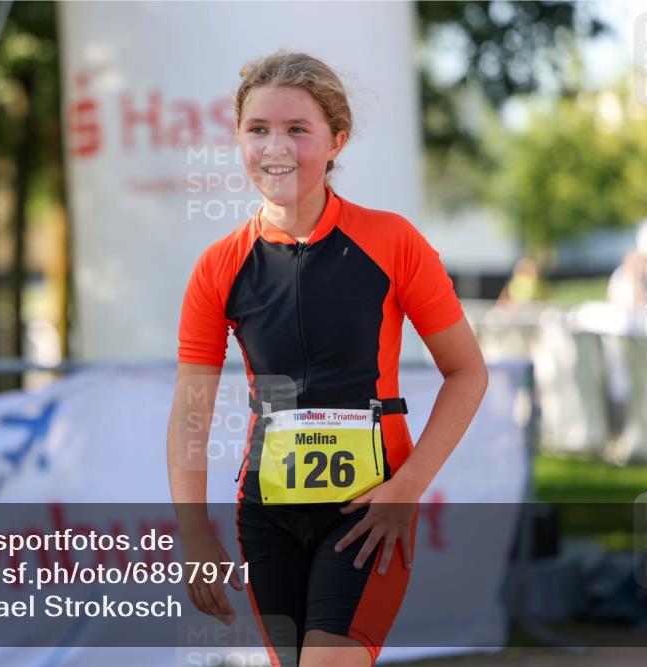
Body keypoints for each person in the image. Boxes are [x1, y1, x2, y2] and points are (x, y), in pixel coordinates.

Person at [167, 51, 488, 667]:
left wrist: (409, 486)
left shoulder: (392, 241)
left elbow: (467, 372)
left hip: (370, 510)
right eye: (257, 130)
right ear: (238, 138)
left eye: (297, 129)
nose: (275, 147)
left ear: (337, 140)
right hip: (266, 517)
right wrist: (194, 531)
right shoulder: (218, 267)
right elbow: (190, 414)